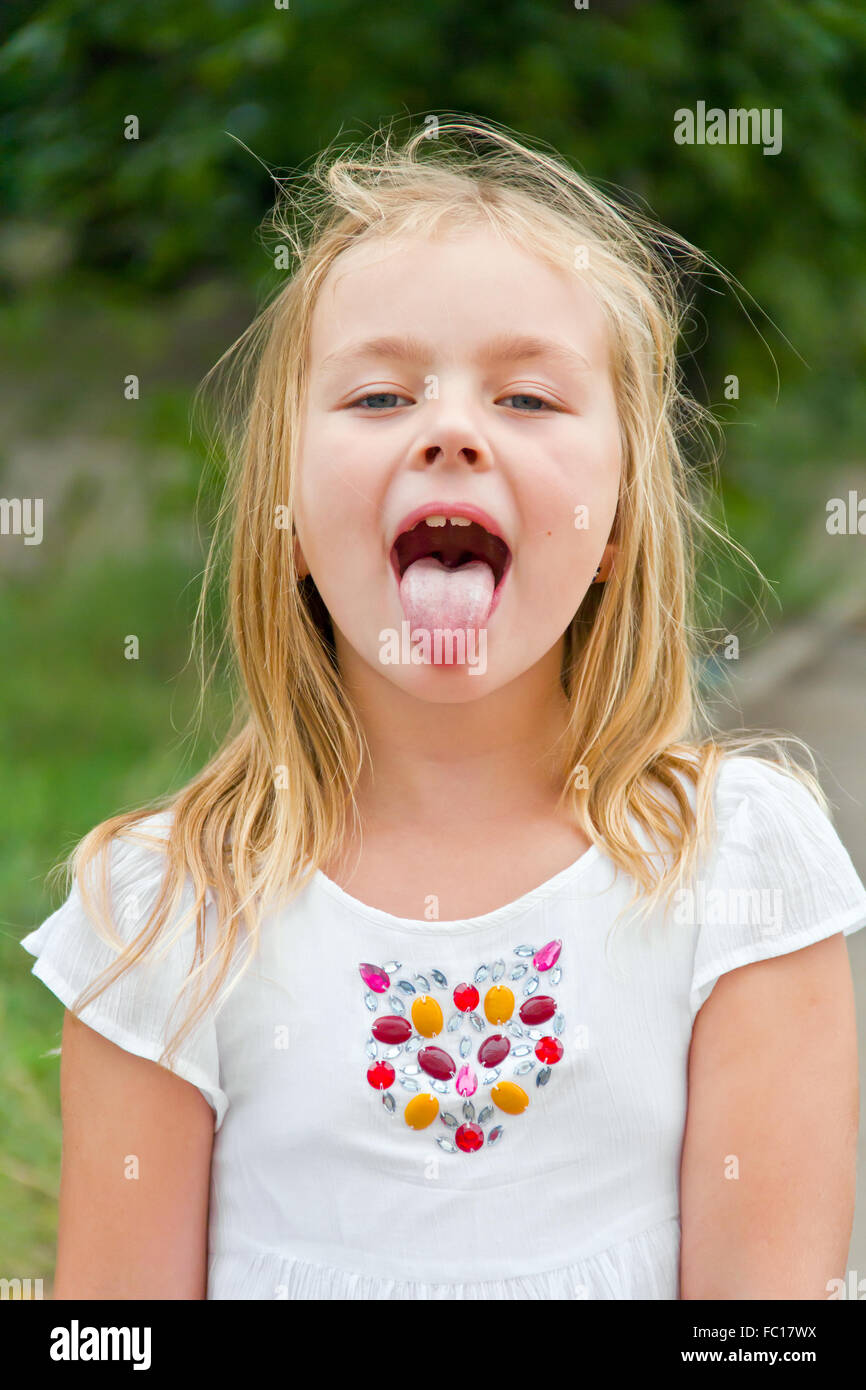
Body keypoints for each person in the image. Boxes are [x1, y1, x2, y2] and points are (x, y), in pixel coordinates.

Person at [20, 115, 866, 1300]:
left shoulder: (735, 869)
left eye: (526, 399)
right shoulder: (167, 914)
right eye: (377, 396)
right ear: (289, 514)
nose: (451, 431)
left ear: (617, 523)